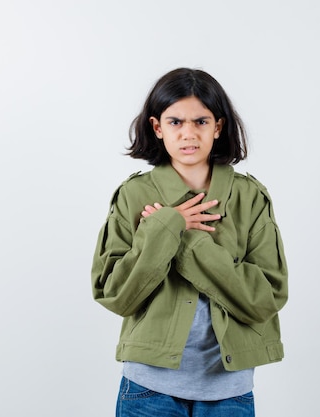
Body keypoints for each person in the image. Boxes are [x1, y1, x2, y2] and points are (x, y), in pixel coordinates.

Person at [91, 68, 288, 417]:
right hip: (148, 389)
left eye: (200, 121)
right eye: (175, 122)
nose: (188, 134)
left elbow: (267, 298)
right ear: (157, 127)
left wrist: (181, 238)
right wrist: (169, 224)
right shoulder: (134, 195)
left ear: (218, 127)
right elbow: (114, 293)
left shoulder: (249, 197)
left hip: (230, 391)